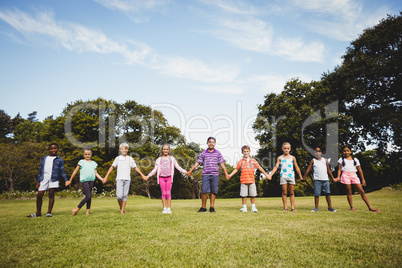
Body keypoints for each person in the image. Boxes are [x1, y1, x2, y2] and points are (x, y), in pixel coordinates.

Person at [187, 137, 228, 213]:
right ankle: (203, 208)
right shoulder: (203, 153)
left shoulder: (218, 153)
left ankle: (212, 207)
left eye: (213, 142)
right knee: (204, 191)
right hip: (206, 174)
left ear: (215, 144)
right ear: (207, 143)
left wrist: (226, 173)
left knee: (213, 191)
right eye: (210, 142)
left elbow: (222, 163)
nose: (211, 143)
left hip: (215, 174)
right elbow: (198, 162)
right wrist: (191, 170)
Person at [27, 143, 69, 218]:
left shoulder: (60, 160)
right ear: (49, 150)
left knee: (51, 194)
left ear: (57, 149)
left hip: (54, 178)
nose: (53, 150)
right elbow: (40, 170)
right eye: (52, 149)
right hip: (44, 178)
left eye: (55, 148)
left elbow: (62, 171)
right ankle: (38, 213)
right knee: (39, 195)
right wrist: (38, 181)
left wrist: (66, 180)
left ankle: (49, 212)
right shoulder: (44, 158)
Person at [104, 143, 147, 214]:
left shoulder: (130, 159)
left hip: (127, 179)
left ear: (127, 149)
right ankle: (122, 208)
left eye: (125, 149)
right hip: (119, 179)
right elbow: (112, 167)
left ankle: (122, 210)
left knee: (124, 195)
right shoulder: (118, 158)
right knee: (119, 196)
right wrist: (106, 176)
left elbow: (135, 167)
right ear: (120, 150)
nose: (124, 150)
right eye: (122, 149)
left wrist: (142, 175)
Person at [144, 143, 188, 214]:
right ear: (162, 150)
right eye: (164, 149)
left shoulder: (172, 159)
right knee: (163, 193)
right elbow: (155, 169)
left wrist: (186, 172)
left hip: (169, 177)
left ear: (169, 150)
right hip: (161, 178)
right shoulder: (159, 159)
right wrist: (148, 176)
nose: (166, 150)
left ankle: (169, 208)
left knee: (168, 193)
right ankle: (164, 208)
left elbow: (178, 167)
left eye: (167, 149)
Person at [227, 145, 270, 212]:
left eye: (247, 151)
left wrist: (266, 174)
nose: (246, 152)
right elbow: (236, 169)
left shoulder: (253, 160)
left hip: (251, 181)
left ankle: (253, 208)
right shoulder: (241, 161)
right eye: (244, 151)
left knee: (252, 195)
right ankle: (244, 208)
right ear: (242, 152)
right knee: (244, 195)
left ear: (249, 152)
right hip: (243, 181)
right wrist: (230, 175)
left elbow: (259, 168)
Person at [336, 145, 379, 212]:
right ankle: (351, 207)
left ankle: (370, 207)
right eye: (344, 151)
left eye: (348, 150)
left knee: (362, 191)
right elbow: (339, 169)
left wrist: (363, 179)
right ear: (342, 152)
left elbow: (360, 170)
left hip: (354, 175)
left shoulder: (355, 160)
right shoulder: (341, 160)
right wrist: (338, 177)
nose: (346, 152)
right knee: (349, 192)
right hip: (345, 175)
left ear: (350, 151)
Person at [66, 148, 104, 216]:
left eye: (89, 154)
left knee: (89, 196)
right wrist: (70, 180)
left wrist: (102, 179)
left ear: (91, 154)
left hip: (91, 180)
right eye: (86, 154)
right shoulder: (81, 162)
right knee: (88, 196)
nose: (87, 155)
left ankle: (87, 212)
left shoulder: (94, 163)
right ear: (83, 154)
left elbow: (96, 173)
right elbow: (75, 171)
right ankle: (76, 210)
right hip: (84, 181)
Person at [268, 142, 303, 212]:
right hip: (283, 176)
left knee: (292, 192)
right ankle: (285, 208)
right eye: (285, 148)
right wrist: (270, 175)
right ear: (282, 149)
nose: (286, 150)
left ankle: (292, 208)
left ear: (290, 149)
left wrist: (301, 177)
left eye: (288, 148)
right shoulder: (280, 158)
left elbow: (296, 167)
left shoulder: (293, 158)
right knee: (284, 192)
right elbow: (276, 167)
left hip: (291, 176)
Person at [302, 146, 338, 212]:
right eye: (316, 152)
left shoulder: (325, 160)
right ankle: (316, 208)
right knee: (316, 194)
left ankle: (330, 207)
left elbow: (329, 170)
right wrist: (304, 178)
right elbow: (308, 170)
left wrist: (333, 178)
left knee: (327, 193)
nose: (318, 153)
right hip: (317, 180)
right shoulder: (313, 161)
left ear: (321, 153)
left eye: (319, 151)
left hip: (325, 180)